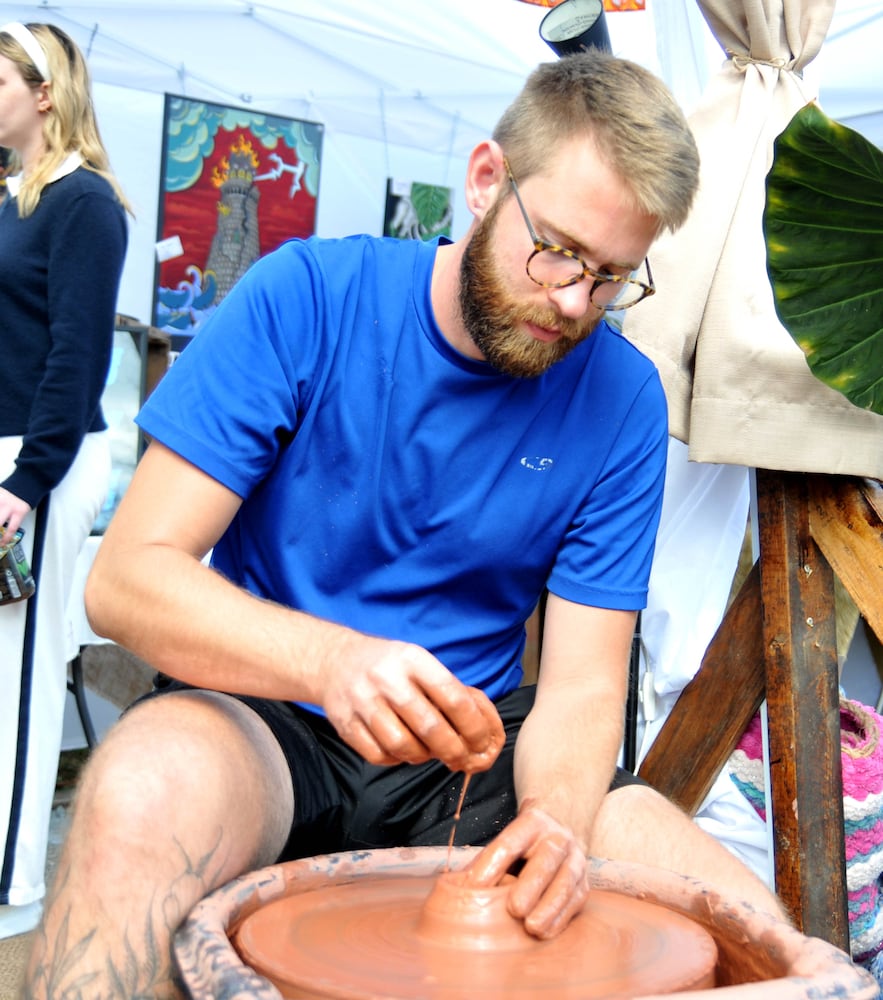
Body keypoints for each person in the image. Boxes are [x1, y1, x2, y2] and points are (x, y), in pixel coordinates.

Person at [25, 50, 785, 997]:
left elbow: (585, 687)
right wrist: (333, 662)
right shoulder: (304, 297)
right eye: (554, 249)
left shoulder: (622, 399)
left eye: (610, 278)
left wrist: (553, 819)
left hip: (469, 751)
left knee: (744, 921)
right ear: (483, 181)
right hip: (267, 714)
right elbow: (128, 578)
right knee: (142, 792)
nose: (571, 303)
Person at [0, 22, 129, 941]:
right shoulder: (10, 196)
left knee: (21, 678)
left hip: (37, 461)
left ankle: (16, 893)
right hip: (9, 452)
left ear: (45, 92)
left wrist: (24, 483)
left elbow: (76, 358)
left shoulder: (84, 204)